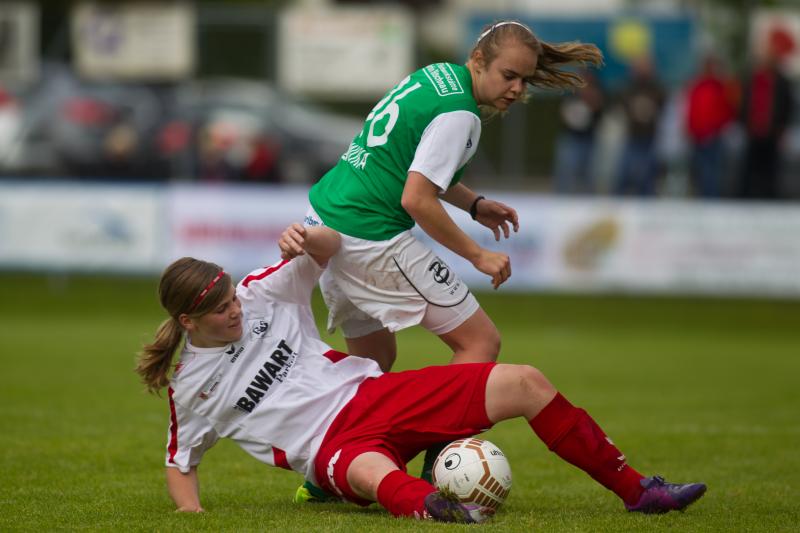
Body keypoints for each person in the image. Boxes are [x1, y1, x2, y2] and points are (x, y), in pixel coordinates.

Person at [135, 223, 707, 522]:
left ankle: (638, 492)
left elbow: (327, 248)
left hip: (376, 395)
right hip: (331, 449)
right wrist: (192, 514)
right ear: (189, 321)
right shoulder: (191, 387)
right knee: (372, 473)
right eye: (221, 311)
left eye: (232, 298)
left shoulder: (261, 293)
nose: (235, 310)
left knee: (524, 381)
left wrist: (307, 237)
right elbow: (180, 462)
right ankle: (440, 510)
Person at [305, 21, 603, 485]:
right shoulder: (461, 114)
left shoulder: (437, 75)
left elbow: (410, 164)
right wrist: (477, 255)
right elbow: (417, 199)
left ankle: (326, 475)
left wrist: (474, 204)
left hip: (327, 221)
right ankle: (437, 467)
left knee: (373, 364)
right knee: (479, 342)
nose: (516, 89)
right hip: (370, 235)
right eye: (509, 76)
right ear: (479, 61)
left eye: (524, 80)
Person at [738, 31, 795, 200]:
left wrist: (782, 127)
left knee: (771, 168)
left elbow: (787, 106)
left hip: (772, 130)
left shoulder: (782, 81)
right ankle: (745, 197)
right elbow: (745, 102)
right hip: (753, 129)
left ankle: (770, 197)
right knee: (750, 167)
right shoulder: (752, 78)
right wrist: (744, 122)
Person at [684, 55, 736, 198]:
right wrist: (691, 129)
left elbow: (727, 112)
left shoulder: (721, 87)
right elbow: (691, 110)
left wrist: (716, 129)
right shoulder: (697, 86)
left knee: (713, 172)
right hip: (698, 136)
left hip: (714, 137)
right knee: (700, 171)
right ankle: (702, 198)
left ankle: (712, 199)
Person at [613, 56, 666, 196]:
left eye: (645, 67)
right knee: (624, 174)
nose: (642, 70)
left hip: (649, 138)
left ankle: (647, 204)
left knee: (647, 177)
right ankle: (618, 202)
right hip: (632, 136)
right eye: (639, 67)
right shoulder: (629, 86)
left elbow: (662, 104)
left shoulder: (656, 87)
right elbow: (622, 104)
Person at [553, 68, 605, 194]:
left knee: (589, 174)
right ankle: (561, 198)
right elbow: (565, 114)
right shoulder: (571, 94)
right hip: (571, 137)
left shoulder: (597, 93)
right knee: (565, 171)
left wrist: (591, 101)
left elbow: (599, 114)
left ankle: (587, 199)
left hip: (589, 138)